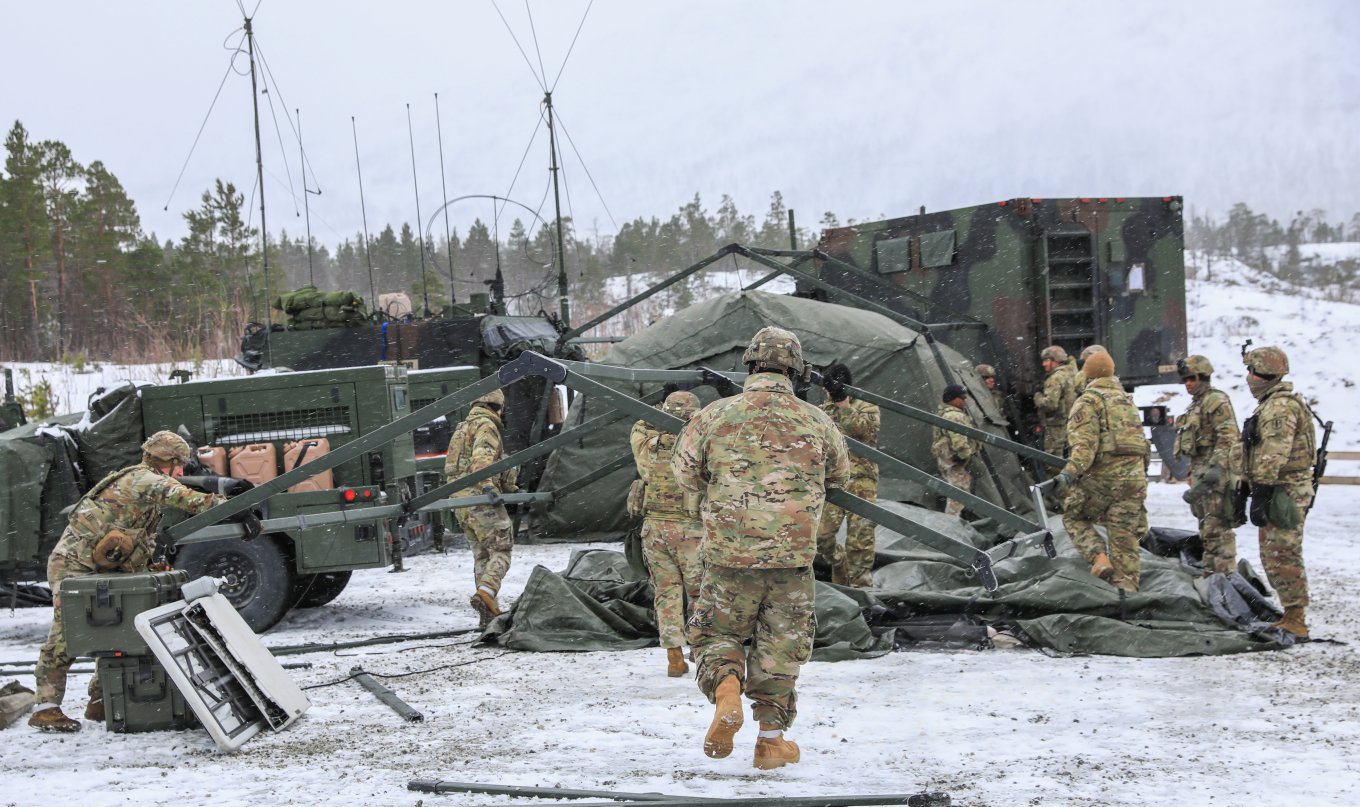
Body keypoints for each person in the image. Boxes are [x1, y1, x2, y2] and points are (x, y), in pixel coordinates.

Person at [672, 326, 850, 770]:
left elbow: (684, 473)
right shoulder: (818, 420)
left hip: (728, 557)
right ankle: (770, 741)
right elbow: (840, 477)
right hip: (792, 560)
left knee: (717, 634)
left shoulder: (713, 415)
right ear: (797, 370)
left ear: (749, 364)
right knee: (781, 647)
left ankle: (726, 689)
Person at [30, 431, 225, 732]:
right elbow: (183, 497)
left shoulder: (142, 483)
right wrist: (224, 503)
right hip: (72, 567)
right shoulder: (144, 480)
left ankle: (101, 701)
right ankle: (46, 708)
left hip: (100, 568)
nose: (182, 471)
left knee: (111, 630)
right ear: (168, 461)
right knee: (65, 635)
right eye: (180, 464)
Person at [1055, 351, 1150, 593]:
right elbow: (1143, 446)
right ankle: (1126, 593)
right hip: (1134, 481)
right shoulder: (1126, 401)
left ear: (1087, 375)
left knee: (1074, 517)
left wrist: (1067, 475)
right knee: (1124, 538)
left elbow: (1084, 448)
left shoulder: (1088, 402)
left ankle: (1098, 557)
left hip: (1104, 480)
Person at [1241, 346, 1316, 639]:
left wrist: (1260, 488)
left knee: (1283, 554)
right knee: (1274, 554)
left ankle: (1296, 618)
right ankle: (1291, 614)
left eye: (1252, 371)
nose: (1249, 378)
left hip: (1283, 490)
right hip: (1278, 488)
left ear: (1263, 374)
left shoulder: (1279, 407)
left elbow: (1273, 453)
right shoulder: (1273, 403)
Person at [630, 390, 705, 677]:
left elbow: (640, 434)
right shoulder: (697, 440)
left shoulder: (646, 438)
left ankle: (674, 657)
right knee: (700, 592)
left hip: (655, 527)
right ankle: (699, 649)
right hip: (691, 529)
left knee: (666, 591)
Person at [445, 388, 518, 628]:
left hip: (460, 502)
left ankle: (486, 615)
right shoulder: (486, 426)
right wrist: (490, 488)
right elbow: (481, 461)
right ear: (497, 406)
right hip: (478, 496)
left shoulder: (462, 428)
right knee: (501, 549)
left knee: (482, 554)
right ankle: (486, 593)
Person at [813, 362, 880, 587]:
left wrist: (844, 405)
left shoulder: (867, 406)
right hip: (833, 482)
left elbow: (864, 433)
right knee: (821, 536)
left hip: (861, 479)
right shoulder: (824, 409)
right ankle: (838, 562)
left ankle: (861, 587)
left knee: (860, 539)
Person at [1173, 355, 1240, 575]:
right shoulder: (1196, 405)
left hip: (1215, 478)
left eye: (1192, 378)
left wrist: (1215, 469)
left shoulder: (1216, 401)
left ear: (1204, 377)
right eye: (1185, 379)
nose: (1188, 383)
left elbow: (1228, 437)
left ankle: (1225, 578)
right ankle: (1212, 577)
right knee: (1207, 532)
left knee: (1218, 531)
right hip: (1201, 475)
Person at [932, 384, 980, 517]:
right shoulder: (954, 416)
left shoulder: (947, 413)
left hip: (950, 460)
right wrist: (966, 456)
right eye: (962, 398)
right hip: (956, 461)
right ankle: (951, 524)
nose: (965, 401)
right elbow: (959, 441)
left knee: (960, 493)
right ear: (952, 399)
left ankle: (956, 523)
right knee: (958, 496)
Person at [1034, 345, 1080, 460]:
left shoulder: (1055, 378)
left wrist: (1037, 397)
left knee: (1053, 461)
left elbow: (1050, 404)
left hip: (1056, 427)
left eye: (1047, 360)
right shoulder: (1073, 374)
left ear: (1056, 361)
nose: (1043, 364)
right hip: (1072, 424)